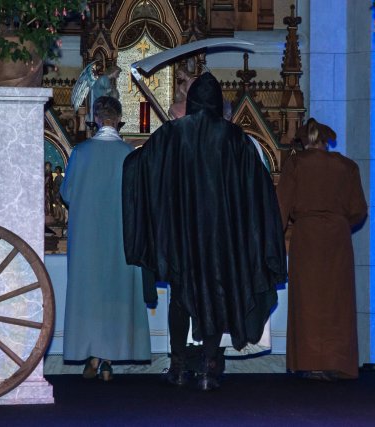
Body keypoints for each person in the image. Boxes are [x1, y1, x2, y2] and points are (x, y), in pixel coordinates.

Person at [122, 72, 286, 391]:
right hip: (222, 238)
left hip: (180, 236)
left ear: (194, 101)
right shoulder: (235, 138)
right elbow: (258, 187)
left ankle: (178, 367)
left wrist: (136, 159)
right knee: (215, 297)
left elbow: (140, 166)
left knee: (180, 298)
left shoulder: (172, 134)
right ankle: (209, 369)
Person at [60, 96, 151, 381]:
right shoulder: (129, 153)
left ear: (96, 119)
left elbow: (67, 194)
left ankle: (93, 355)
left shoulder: (81, 152)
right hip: (121, 236)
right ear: (119, 119)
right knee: (115, 295)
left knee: (91, 296)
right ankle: (108, 360)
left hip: (88, 236)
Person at [278, 118, 367, 381]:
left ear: (303, 141)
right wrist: (338, 223)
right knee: (337, 299)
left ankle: (310, 362)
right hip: (338, 238)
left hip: (307, 237)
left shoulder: (296, 164)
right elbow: (359, 210)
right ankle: (337, 362)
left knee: (308, 299)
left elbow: (281, 207)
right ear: (326, 142)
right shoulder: (347, 166)